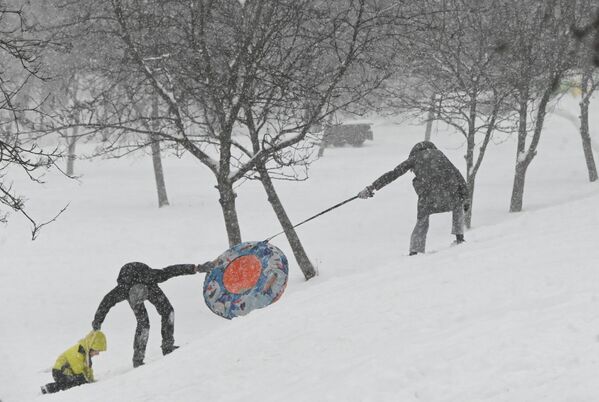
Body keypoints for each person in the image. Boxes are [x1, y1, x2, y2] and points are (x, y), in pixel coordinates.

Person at [92, 261, 214, 368]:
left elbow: (171, 271)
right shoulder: (122, 290)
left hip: (146, 283)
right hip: (131, 284)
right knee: (143, 323)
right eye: (137, 302)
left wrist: (197, 268)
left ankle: (167, 347)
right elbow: (105, 303)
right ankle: (138, 359)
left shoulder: (151, 278)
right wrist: (97, 323)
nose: (141, 303)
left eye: (142, 300)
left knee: (168, 311)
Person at [358, 141, 469, 255]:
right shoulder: (440, 154)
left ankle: (415, 251)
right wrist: (466, 199)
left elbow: (394, 173)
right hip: (450, 193)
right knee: (458, 205)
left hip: (429, 196)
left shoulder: (414, 158)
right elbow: (458, 175)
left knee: (422, 219)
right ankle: (459, 238)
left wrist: (371, 187)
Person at [41, 330, 107, 394]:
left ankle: (51, 387)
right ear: (91, 347)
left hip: (69, 372)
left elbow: (87, 369)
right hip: (59, 371)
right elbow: (78, 372)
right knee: (74, 383)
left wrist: (91, 380)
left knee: (78, 382)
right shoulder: (78, 352)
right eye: (97, 351)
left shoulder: (86, 355)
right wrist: (87, 383)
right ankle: (48, 388)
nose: (98, 353)